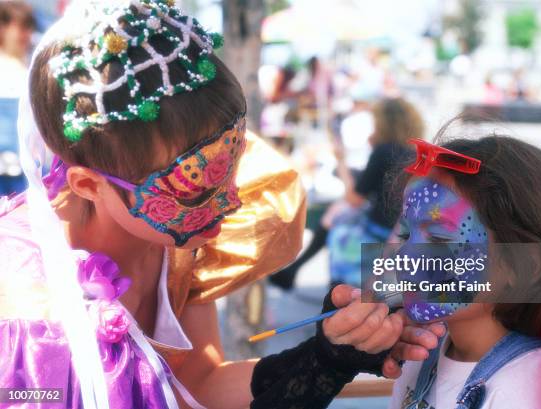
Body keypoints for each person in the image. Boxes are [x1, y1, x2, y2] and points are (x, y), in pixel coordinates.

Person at [0, 2, 441, 408]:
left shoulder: (178, 243)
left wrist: (329, 353)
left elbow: (200, 384)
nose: (229, 204)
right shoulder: (26, 315)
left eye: (231, 170)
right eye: (190, 189)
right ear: (87, 184)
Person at [388, 136, 541, 408]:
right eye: (405, 234)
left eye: (439, 239)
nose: (405, 256)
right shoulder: (420, 354)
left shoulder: (524, 380)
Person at [270, 97, 425, 289]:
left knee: (336, 215)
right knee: (337, 213)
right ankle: (294, 270)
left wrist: (341, 160)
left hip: (376, 234)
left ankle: (299, 271)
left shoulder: (384, 151)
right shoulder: (415, 154)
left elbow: (354, 199)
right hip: (403, 235)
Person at [0, 0, 35, 98]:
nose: (27, 34)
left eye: (30, 27)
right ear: (3, 29)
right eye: (22, 27)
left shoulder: (29, 64)